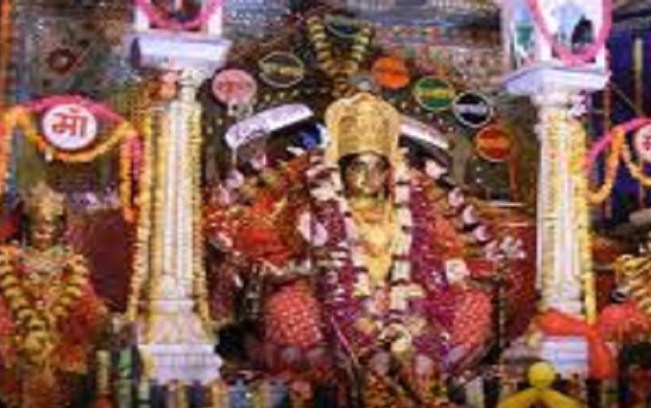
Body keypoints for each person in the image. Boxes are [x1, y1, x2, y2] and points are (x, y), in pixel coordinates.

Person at [205, 93, 494, 392]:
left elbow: (438, 255)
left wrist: (432, 281)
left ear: (388, 172)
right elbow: (277, 256)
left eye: (377, 168)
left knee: (474, 304)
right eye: (358, 167)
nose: (369, 177)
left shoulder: (410, 207)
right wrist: (314, 261)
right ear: (341, 169)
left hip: (405, 296)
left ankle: (418, 372)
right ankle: (339, 376)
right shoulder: (313, 203)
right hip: (331, 296)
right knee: (285, 307)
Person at [0, 182, 107, 408]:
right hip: (16, 344)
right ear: (26, 226)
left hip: (60, 345)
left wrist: (101, 319)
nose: (43, 232)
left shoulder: (71, 263)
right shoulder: (8, 258)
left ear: (59, 228)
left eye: (49, 226)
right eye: (37, 226)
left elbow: (87, 307)